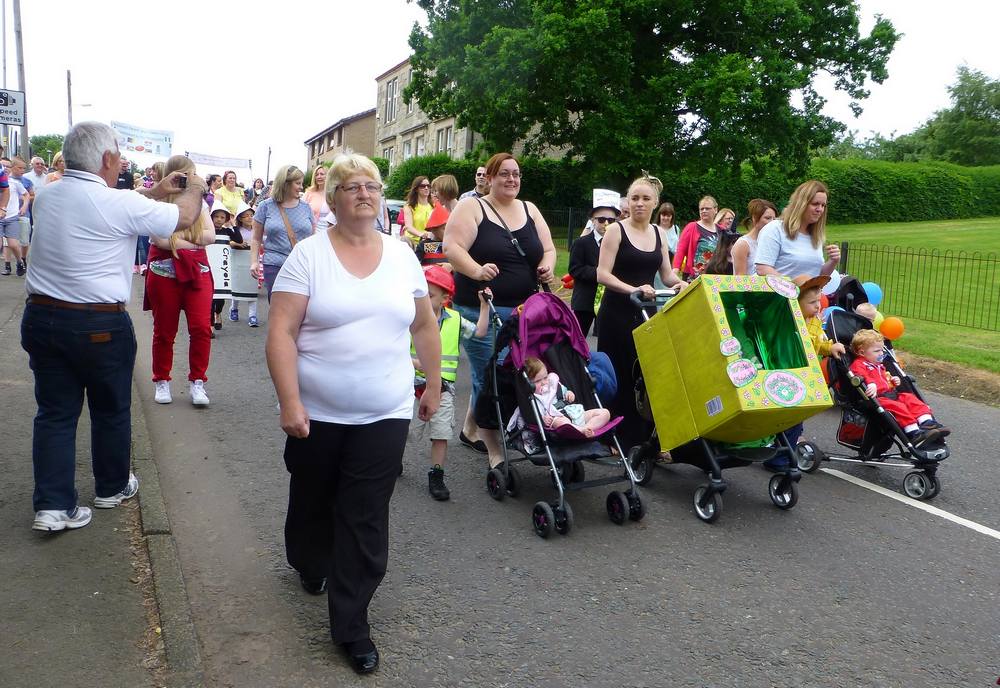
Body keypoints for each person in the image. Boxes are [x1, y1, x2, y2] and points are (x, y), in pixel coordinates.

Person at [266, 153, 441, 675]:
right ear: (335, 198)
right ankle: (308, 559)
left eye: (371, 186)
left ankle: (351, 625)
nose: (363, 193)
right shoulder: (308, 258)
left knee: (364, 516)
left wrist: (432, 383)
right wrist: (290, 400)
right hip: (316, 412)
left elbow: (424, 326)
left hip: (384, 410)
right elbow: (281, 332)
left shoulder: (403, 256)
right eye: (351, 186)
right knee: (313, 501)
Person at [22, 122, 205, 532]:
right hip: (98, 323)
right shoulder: (117, 205)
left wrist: (156, 190)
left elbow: (115, 204)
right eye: (119, 153)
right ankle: (111, 486)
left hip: (42, 318)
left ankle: (52, 506)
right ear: (106, 159)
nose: (121, 160)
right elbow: (186, 215)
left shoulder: (47, 196)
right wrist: (193, 185)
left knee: (54, 412)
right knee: (109, 408)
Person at [443, 152, 557, 468]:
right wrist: (477, 271)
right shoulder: (472, 207)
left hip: (524, 310)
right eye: (504, 174)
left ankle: (470, 430)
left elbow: (547, 249)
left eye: (516, 174)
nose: (511, 179)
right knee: (490, 373)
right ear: (490, 177)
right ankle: (495, 449)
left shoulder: (529, 209)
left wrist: (547, 267)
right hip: (480, 307)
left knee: (499, 371)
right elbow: (452, 248)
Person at [597, 174, 687, 451]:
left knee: (644, 374)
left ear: (655, 203)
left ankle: (641, 437)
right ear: (627, 201)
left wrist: (681, 283)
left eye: (645, 198)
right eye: (634, 198)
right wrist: (632, 288)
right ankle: (611, 434)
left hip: (645, 312)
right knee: (618, 374)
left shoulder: (659, 234)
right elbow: (602, 274)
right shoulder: (616, 231)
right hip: (617, 313)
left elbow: (667, 273)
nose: (639, 203)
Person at [410, 266, 490, 501]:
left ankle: (437, 474)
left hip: (444, 389)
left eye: (430, 294)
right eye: (421, 293)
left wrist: (484, 306)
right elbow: (395, 351)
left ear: (446, 298)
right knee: (407, 433)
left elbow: (480, 332)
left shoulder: (455, 319)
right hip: (411, 388)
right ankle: (393, 460)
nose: (424, 298)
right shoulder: (409, 318)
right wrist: (418, 363)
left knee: (441, 432)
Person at [145, 155, 217, 406]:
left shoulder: (201, 204)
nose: (191, 179)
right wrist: (192, 240)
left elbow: (210, 236)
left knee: (200, 328)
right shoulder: (157, 203)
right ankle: (161, 380)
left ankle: (198, 381)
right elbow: (159, 240)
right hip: (164, 273)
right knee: (164, 331)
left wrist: (176, 241)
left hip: (197, 272)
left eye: (194, 174)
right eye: (187, 174)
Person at [849, 329, 950, 447]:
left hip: (892, 394)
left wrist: (892, 381)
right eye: (877, 351)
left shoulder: (878, 365)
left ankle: (927, 422)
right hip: (878, 398)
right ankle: (913, 432)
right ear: (862, 352)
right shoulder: (859, 364)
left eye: (882, 349)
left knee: (911, 399)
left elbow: (884, 378)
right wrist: (870, 384)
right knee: (899, 407)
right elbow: (861, 375)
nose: (881, 353)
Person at [250, 165, 315, 299]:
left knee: (301, 307)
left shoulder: (306, 208)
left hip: (302, 265)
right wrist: (254, 262)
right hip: (275, 264)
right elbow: (256, 238)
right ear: (285, 183)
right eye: (298, 183)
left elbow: (313, 239)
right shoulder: (265, 206)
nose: (301, 187)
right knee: (277, 305)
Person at [755, 180, 840, 278]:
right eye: (815, 204)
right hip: (779, 292)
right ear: (800, 204)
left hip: (809, 293)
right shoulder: (775, 229)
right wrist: (794, 288)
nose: (820, 209)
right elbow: (763, 268)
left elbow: (818, 276)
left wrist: (833, 261)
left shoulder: (815, 237)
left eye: (823, 205)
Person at [569, 189, 620, 337]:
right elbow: (575, 269)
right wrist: (600, 273)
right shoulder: (581, 243)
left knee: (608, 339)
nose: (606, 223)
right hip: (585, 300)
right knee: (577, 340)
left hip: (610, 300)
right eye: (601, 219)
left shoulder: (619, 244)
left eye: (611, 220)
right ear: (592, 220)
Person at [519, 357, 611, 437]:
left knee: (605, 413)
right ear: (529, 384)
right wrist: (543, 419)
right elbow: (534, 413)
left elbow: (564, 391)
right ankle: (581, 431)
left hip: (574, 413)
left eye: (545, 377)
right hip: (557, 419)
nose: (544, 382)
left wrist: (569, 394)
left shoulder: (553, 384)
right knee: (562, 423)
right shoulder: (534, 397)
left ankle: (586, 429)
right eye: (538, 381)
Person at [228, 203, 260, 326]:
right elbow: (229, 242)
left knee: (252, 286)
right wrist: (238, 244)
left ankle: (252, 315)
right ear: (240, 218)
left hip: (252, 260)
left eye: (251, 215)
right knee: (236, 285)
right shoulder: (236, 230)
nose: (249, 218)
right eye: (246, 216)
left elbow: (262, 242)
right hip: (237, 259)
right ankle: (234, 308)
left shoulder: (257, 230)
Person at [673, 195, 719, 280]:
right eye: (701, 209)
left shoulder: (721, 230)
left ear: (716, 210)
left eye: (707, 208)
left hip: (715, 277)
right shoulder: (691, 227)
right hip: (693, 277)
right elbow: (680, 251)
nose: (704, 211)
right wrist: (675, 273)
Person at [208, 203, 235, 332]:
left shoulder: (227, 231)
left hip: (222, 268)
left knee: (220, 298)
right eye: (216, 216)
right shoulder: (206, 230)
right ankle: (210, 325)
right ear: (211, 217)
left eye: (222, 217)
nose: (219, 219)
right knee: (210, 298)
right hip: (209, 266)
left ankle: (218, 313)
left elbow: (239, 239)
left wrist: (231, 226)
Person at [732, 199, 777, 275]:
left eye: (774, 219)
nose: (772, 222)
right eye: (767, 218)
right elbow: (740, 278)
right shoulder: (743, 244)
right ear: (755, 218)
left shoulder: (773, 243)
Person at [0, 156, 27, 276]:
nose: (5, 168)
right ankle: (7, 265)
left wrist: (24, 207)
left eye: (8, 166)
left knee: (13, 244)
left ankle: (20, 262)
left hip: (11, 217)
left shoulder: (15, 183)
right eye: (3, 166)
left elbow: (26, 195)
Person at [9, 156, 33, 272]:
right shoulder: (5, 179)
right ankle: (8, 264)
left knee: (24, 239)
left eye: (24, 168)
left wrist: (23, 199)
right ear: (12, 167)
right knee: (10, 242)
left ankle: (23, 258)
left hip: (24, 214)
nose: (22, 170)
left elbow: (32, 195)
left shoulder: (27, 181)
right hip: (8, 215)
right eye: (20, 168)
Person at [402, 175, 433, 245]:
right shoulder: (409, 206)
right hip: (412, 242)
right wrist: (421, 234)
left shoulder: (434, 206)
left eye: (428, 186)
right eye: (422, 186)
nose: (426, 188)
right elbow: (408, 227)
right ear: (416, 189)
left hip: (429, 242)